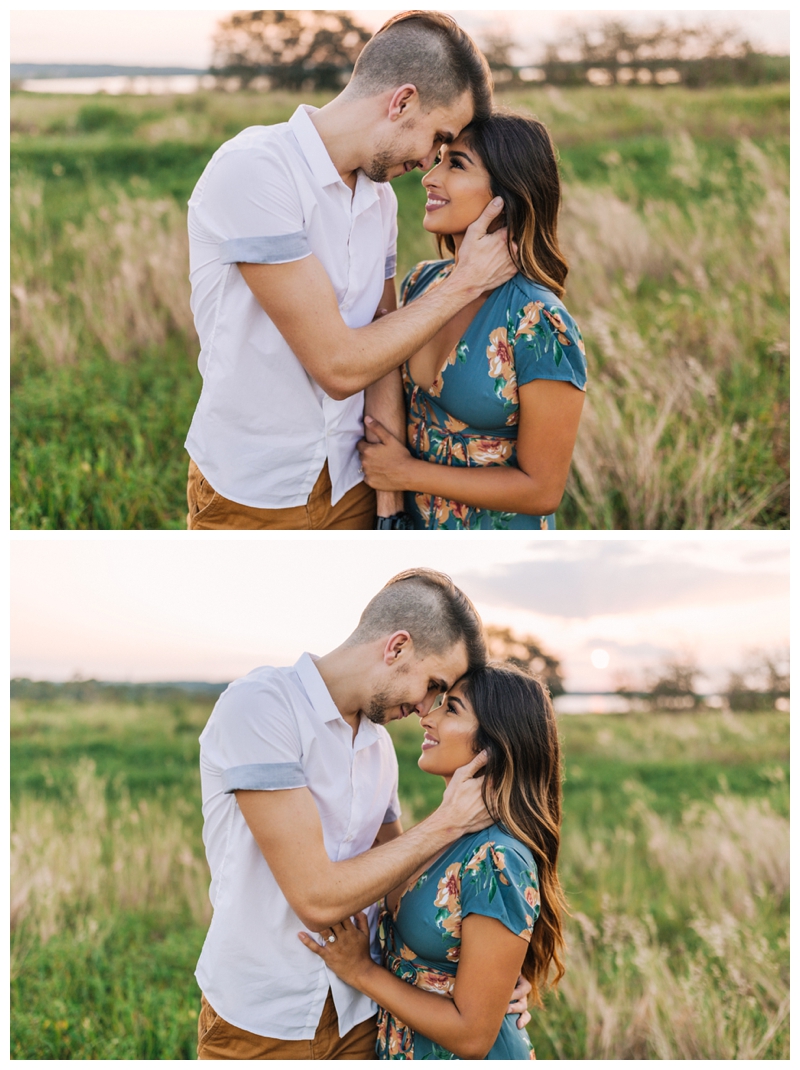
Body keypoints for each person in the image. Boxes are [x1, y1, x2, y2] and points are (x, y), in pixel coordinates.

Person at [185, 11, 517, 530]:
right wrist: (465, 283)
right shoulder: (256, 168)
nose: (432, 161)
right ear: (402, 101)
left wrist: (386, 502)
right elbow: (339, 367)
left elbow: (385, 339)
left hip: (353, 484)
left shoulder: (380, 200)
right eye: (438, 137)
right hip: (253, 491)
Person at [195, 569, 531, 1059]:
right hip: (263, 1020)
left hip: (361, 1017)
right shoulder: (263, 707)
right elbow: (316, 899)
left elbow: (402, 889)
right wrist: (447, 822)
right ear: (396, 648)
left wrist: (490, 969)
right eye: (433, 685)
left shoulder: (378, 748)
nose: (426, 708)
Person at [300, 662, 567, 1060]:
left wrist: (360, 971)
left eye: (451, 708)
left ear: (493, 744)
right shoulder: (445, 833)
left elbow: (473, 1037)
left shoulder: (497, 858)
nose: (428, 716)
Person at [357, 111, 588, 529]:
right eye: (438, 158)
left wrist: (406, 473)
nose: (429, 177)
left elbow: (543, 489)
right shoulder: (422, 284)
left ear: (507, 192)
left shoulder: (539, 322)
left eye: (456, 164)